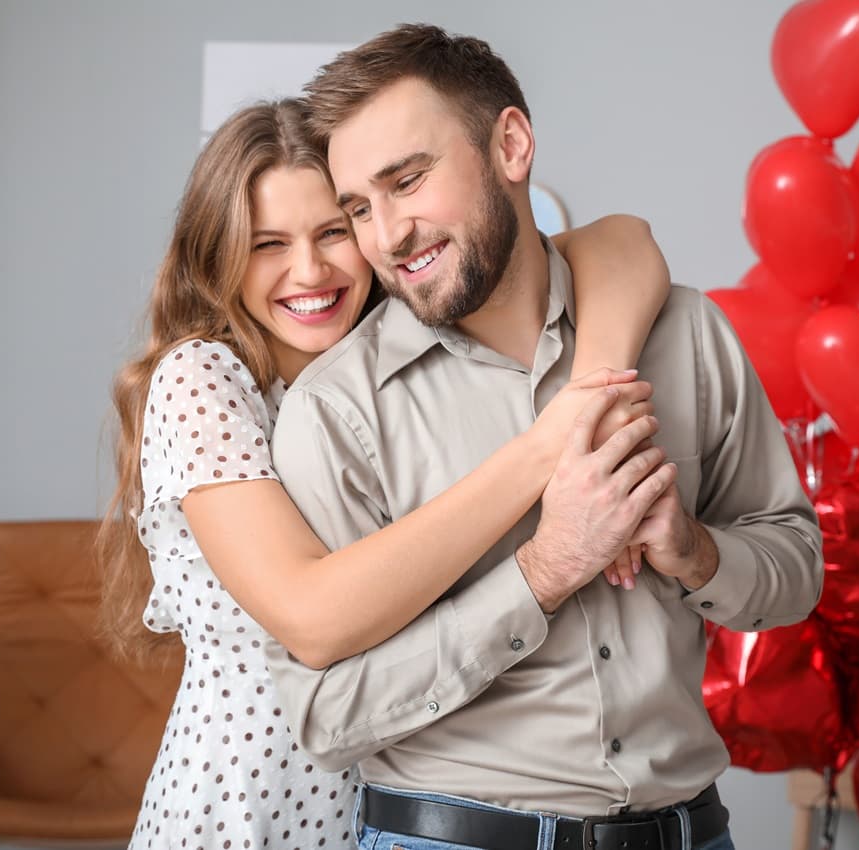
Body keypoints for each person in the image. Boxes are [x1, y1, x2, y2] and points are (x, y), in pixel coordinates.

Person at [264, 25, 825, 850]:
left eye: (409, 181)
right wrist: (543, 573)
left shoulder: (688, 337)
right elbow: (326, 717)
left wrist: (695, 551)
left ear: (512, 145)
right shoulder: (337, 413)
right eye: (359, 207)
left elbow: (798, 567)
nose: (387, 235)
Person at [98, 97, 673, 850]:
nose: (308, 270)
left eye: (334, 231)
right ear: (221, 255)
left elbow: (621, 242)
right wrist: (553, 444)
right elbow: (312, 618)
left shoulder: (390, 363)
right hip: (247, 814)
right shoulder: (204, 376)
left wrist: (592, 401)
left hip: (391, 812)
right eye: (268, 243)